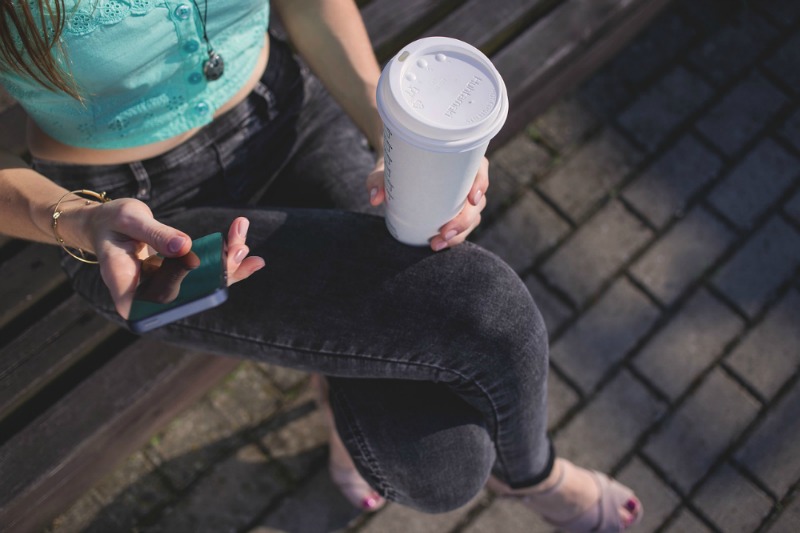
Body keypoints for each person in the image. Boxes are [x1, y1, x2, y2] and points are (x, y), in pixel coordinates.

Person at [0, 1, 643, 531]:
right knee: (477, 328)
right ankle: (533, 475)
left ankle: (357, 380)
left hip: (286, 116)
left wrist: (397, 135)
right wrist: (74, 219)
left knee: (439, 456)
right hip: (131, 217)